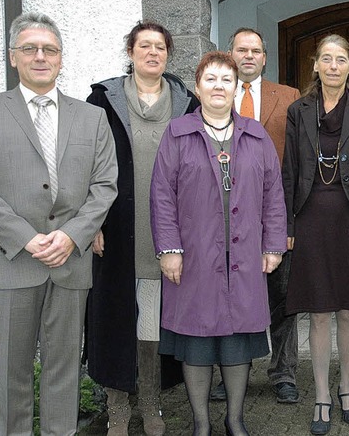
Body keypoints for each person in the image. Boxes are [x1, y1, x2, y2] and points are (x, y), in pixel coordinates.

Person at [150, 51, 286, 436]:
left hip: (244, 255)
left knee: (237, 341)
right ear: (197, 87)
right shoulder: (177, 134)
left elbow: (274, 194)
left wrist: (273, 244)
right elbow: (161, 196)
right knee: (196, 340)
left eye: (226, 80)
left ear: (235, 88)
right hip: (193, 256)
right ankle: (201, 424)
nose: (218, 86)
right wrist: (169, 250)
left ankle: (235, 420)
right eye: (210, 79)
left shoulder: (256, 135)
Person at [0, 12, 118, 435]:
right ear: (13, 57)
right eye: (29, 48)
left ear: (61, 58)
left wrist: (71, 236)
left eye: (49, 49)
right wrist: (27, 239)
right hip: (13, 264)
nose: (40, 57)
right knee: (9, 375)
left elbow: (105, 186)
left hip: (71, 263)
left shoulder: (92, 118)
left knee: (64, 371)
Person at [84, 21, 199, 435]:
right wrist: (90, 224)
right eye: (144, 46)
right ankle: (117, 409)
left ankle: (150, 405)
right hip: (114, 230)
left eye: (160, 47)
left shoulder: (187, 103)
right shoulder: (102, 100)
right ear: (130, 52)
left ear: (169, 54)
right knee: (115, 321)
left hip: (165, 231)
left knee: (152, 324)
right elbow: (85, 165)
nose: (153, 53)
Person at [282, 34, 349, 435]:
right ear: (316, 66)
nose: (333, 66)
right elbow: (289, 171)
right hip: (310, 221)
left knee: (348, 310)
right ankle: (322, 394)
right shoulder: (298, 110)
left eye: (341, 59)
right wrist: (287, 227)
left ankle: (347, 390)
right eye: (326, 59)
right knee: (319, 312)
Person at [205, 27, 301, 404]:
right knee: (227, 294)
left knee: (283, 296)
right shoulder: (215, 95)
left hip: (275, 212)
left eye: (255, 51)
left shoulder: (289, 97)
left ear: (265, 58)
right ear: (230, 54)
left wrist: (290, 220)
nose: (248, 56)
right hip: (223, 215)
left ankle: (284, 372)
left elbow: (296, 161)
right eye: (241, 50)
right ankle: (229, 371)